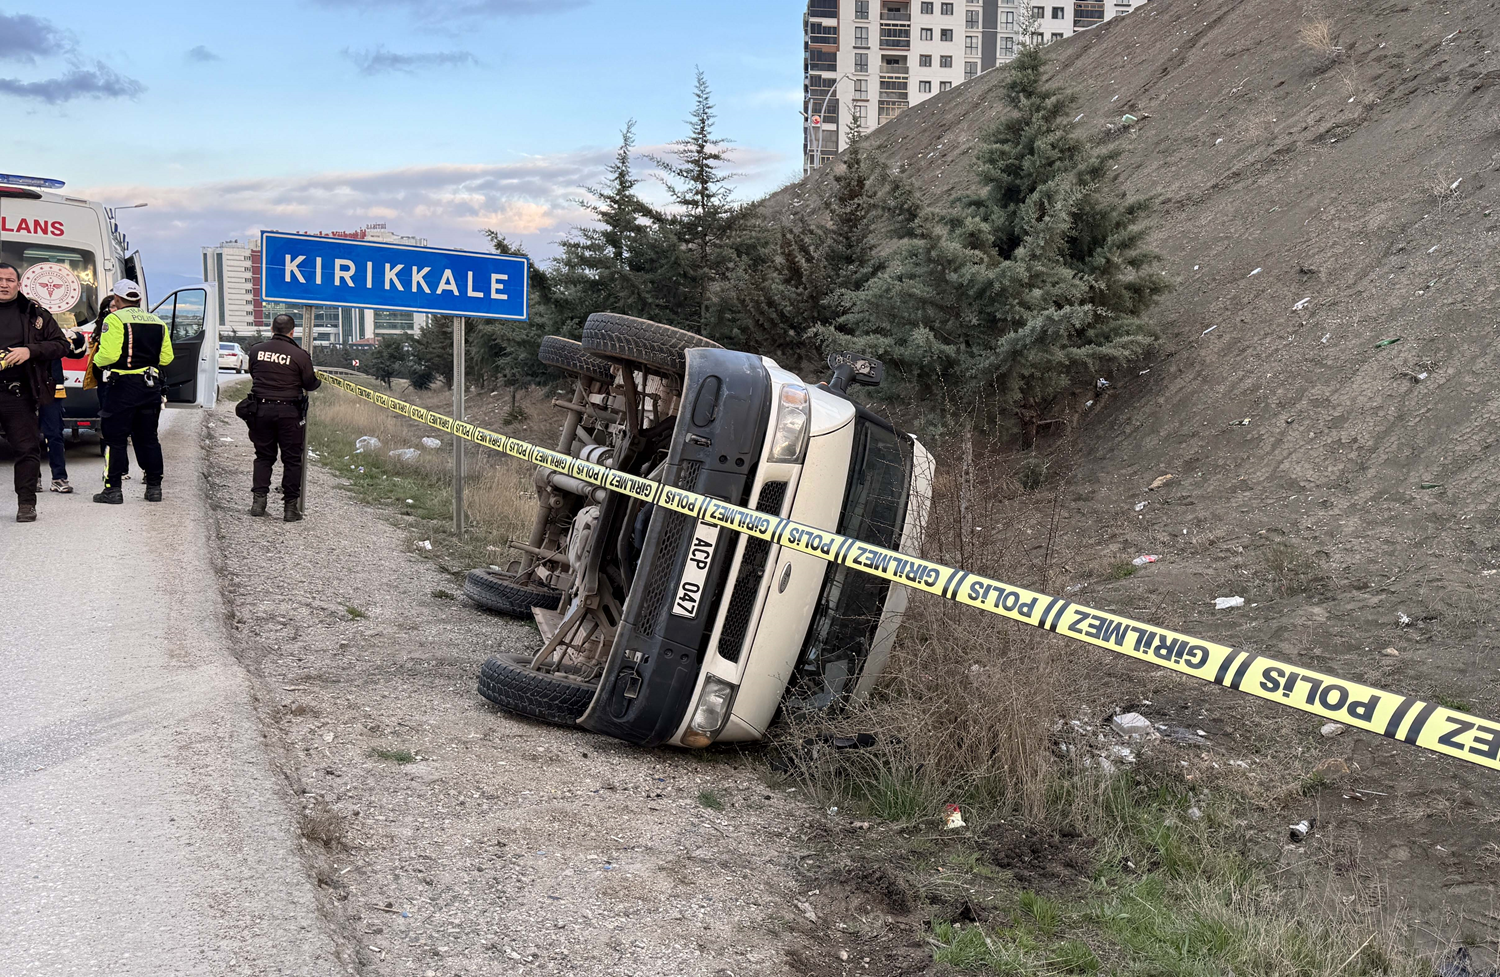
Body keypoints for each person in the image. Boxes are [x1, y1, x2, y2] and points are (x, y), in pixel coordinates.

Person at [0, 261, 71, 522]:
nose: (4, 285)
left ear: (19, 284)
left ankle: (26, 504)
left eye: (9, 280)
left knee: (27, 449)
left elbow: (61, 345)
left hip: (18, 392)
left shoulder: (35, 313)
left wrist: (30, 351)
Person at [92, 279, 172, 505]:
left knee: (115, 438)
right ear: (139, 299)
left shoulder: (114, 319)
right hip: (150, 386)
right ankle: (154, 488)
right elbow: (167, 358)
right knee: (149, 438)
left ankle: (112, 490)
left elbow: (108, 355)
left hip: (122, 386)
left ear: (117, 299)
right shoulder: (158, 321)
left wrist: (96, 361)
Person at [246, 313, 320, 521]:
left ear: (272, 329)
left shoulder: (256, 350)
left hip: (260, 410)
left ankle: (258, 503)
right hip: (289, 413)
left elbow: (253, 374)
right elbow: (310, 383)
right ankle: (290, 509)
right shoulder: (300, 355)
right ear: (292, 332)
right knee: (292, 459)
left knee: (263, 456)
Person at [40, 324, 88, 493]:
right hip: (25, 390)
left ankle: (59, 478)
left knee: (55, 434)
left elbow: (77, 353)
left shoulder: (52, 332)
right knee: (27, 436)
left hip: (51, 390)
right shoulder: (17, 329)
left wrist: (76, 337)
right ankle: (32, 478)